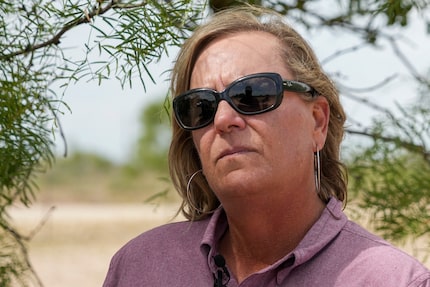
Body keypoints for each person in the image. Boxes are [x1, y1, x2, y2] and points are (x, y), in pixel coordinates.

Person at [103, 6, 430, 287]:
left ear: (317, 122)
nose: (223, 120)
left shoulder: (394, 280)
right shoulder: (139, 268)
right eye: (200, 105)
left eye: (252, 94)